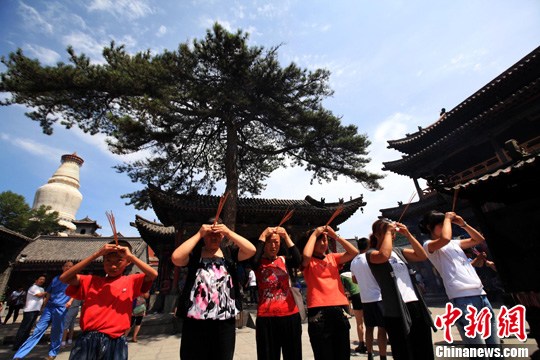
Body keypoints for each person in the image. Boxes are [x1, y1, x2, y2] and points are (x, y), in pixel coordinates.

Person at [171, 218, 256, 360]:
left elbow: (251, 250)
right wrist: (199, 233)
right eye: (210, 234)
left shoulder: (229, 254)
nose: (214, 237)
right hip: (196, 320)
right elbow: (176, 258)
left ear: (222, 236)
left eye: (217, 234)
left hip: (224, 320)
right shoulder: (195, 255)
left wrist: (228, 231)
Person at [59, 240, 158, 360]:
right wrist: (96, 254)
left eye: (119, 261)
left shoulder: (131, 281)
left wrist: (130, 256)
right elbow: (64, 277)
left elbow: (153, 274)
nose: (113, 266)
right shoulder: (90, 281)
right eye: (108, 261)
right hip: (88, 338)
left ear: (127, 263)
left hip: (115, 339)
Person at [420, 210, 500, 349]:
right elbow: (444, 238)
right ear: (429, 227)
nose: (445, 226)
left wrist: (464, 224)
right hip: (461, 298)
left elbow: (479, 239)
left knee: (494, 347)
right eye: (440, 224)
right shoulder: (429, 245)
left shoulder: (455, 244)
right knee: (477, 348)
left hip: (480, 294)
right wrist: (447, 218)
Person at [367, 219, 435, 360]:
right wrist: (387, 231)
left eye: (392, 232)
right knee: (404, 351)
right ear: (377, 234)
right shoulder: (371, 254)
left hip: (415, 304)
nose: (392, 234)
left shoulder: (398, 251)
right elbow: (383, 256)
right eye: (386, 231)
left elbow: (422, 255)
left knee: (424, 349)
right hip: (396, 309)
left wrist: (408, 235)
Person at [301, 225, 359, 360]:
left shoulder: (333, 258)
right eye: (320, 240)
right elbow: (305, 255)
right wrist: (315, 234)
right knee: (323, 353)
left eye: (325, 240)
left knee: (343, 352)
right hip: (318, 310)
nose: (324, 243)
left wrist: (335, 236)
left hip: (339, 308)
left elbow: (354, 252)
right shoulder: (308, 262)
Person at [252, 226, 303, 360]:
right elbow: (254, 261)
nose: (273, 246)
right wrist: (262, 235)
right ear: (264, 244)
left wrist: (286, 237)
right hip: (266, 316)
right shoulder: (258, 263)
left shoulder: (284, 260)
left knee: (293, 355)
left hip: (290, 315)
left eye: (277, 243)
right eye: (270, 242)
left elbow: (299, 261)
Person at [350, 237, 388, 360]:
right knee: (382, 329)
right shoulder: (371, 257)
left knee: (369, 328)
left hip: (365, 299)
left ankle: (370, 354)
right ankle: (383, 355)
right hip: (378, 297)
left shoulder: (354, 261)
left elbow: (354, 279)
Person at [12, 275, 47, 352]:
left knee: (29, 328)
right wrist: (49, 291)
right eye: (41, 279)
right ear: (36, 280)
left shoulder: (41, 288)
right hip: (29, 310)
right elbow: (39, 295)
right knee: (24, 328)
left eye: (43, 279)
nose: (42, 281)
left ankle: (23, 343)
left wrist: (42, 307)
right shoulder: (33, 287)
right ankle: (17, 345)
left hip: (36, 310)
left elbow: (43, 298)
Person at [340, 271, 366, 354]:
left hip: (356, 295)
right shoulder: (355, 273)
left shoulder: (341, 276)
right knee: (369, 322)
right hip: (365, 294)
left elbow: (342, 290)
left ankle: (361, 344)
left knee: (359, 322)